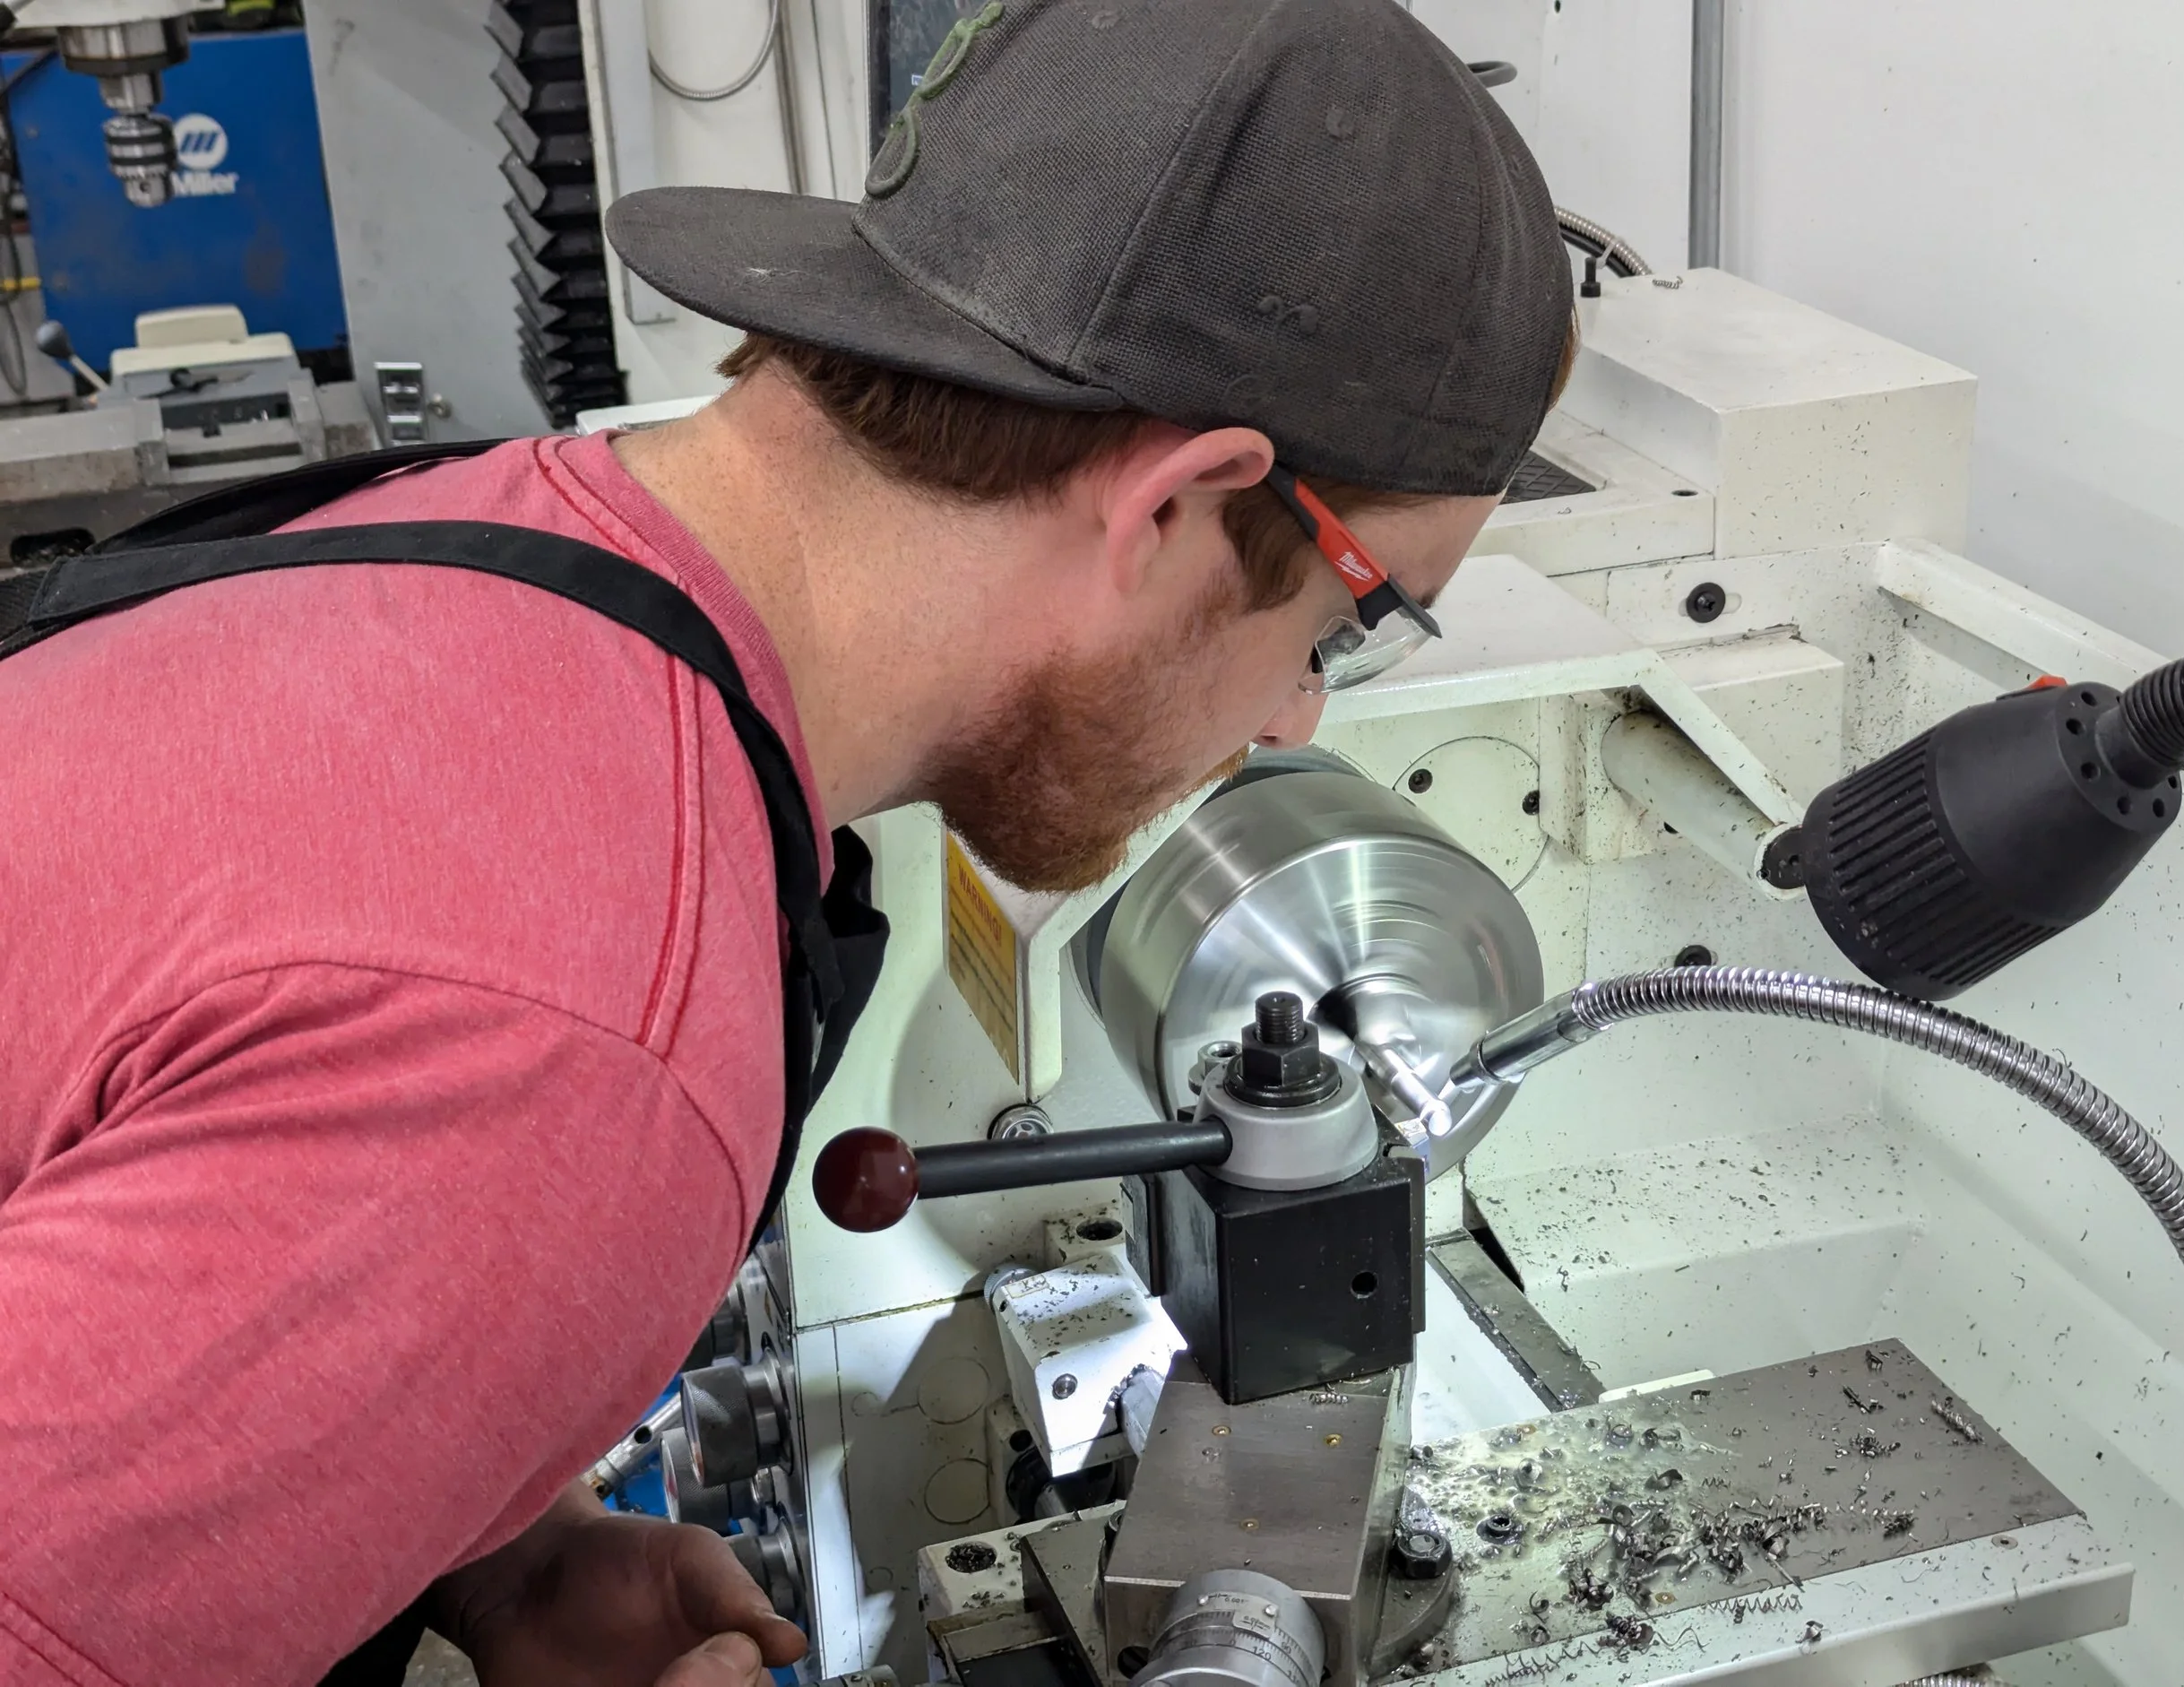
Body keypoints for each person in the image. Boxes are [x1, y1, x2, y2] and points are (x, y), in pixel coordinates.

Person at [0, 0, 1574, 1682]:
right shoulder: (590, 1039)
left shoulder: (480, 537)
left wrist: (455, 1535)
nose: (1296, 724)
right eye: (1348, 625)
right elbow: (471, 1083)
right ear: (1175, 502)